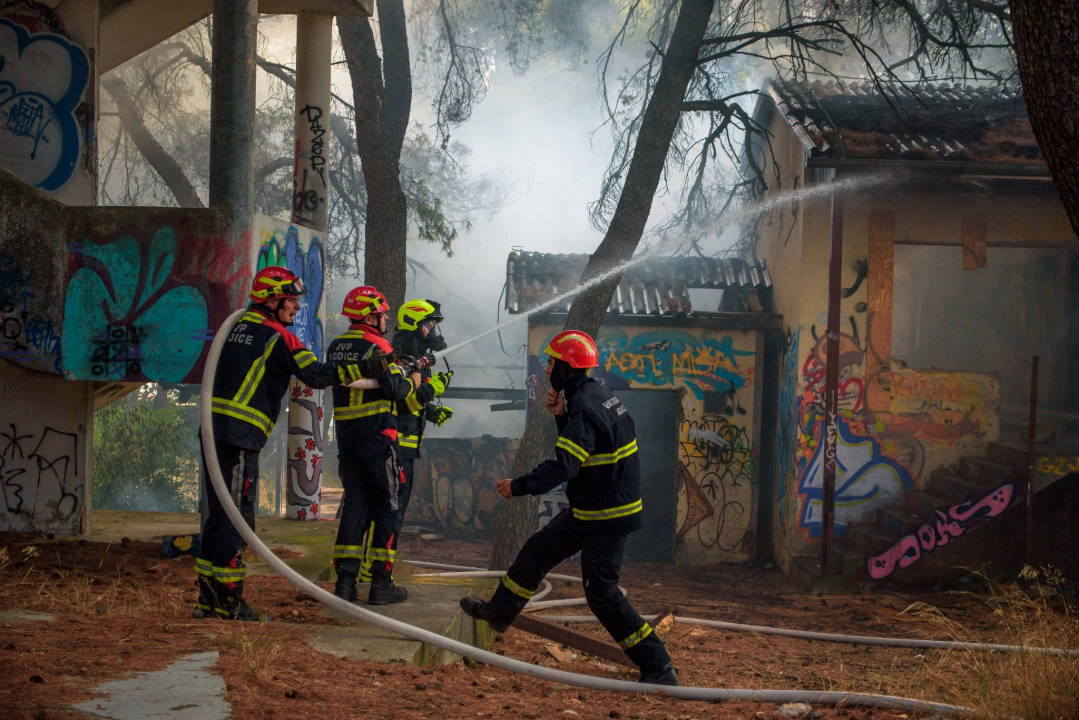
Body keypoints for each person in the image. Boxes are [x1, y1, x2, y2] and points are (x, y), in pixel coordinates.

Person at [459, 330, 678, 686]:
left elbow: (566, 465)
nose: (547, 369)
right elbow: (586, 448)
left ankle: (659, 666)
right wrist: (562, 414)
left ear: (568, 368)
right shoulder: (592, 397)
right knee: (537, 550)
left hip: (606, 516)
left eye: (552, 363)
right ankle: (498, 614)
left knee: (602, 595)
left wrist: (518, 485)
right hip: (593, 507)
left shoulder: (587, 407)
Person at [195, 266, 353, 621]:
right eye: (292, 301)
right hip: (239, 435)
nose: (296, 308)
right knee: (237, 519)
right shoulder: (277, 335)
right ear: (271, 299)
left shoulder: (236, 327)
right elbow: (315, 374)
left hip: (212, 432)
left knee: (219, 517)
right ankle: (229, 603)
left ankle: (208, 600)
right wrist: (364, 369)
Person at [327, 287, 452, 605]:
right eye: (381, 314)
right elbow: (399, 393)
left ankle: (346, 581)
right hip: (382, 440)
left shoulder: (338, 346)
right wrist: (426, 387)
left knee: (357, 507)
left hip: (348, 440)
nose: (385, 318)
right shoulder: (384, 348)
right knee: (389, 508)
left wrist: (431, 407)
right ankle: (380, 581)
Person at [392, 299, 454, 533]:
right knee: (392, 514)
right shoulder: (398, 361)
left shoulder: (418, 362)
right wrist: (431, 390)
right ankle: (377, 567)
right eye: (429, 326)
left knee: (396, 513)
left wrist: (430, 410)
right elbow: (396, 403)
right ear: (412, 326)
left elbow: (412, 400)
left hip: (406, 452)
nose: (433, 332)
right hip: (393, 449)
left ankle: (381, 566)